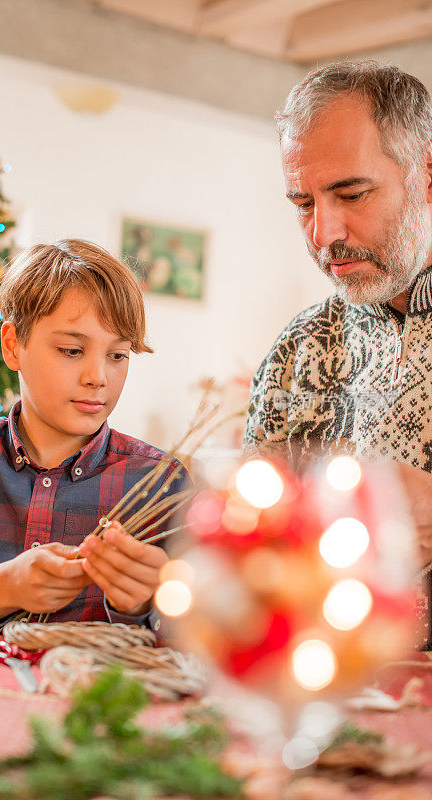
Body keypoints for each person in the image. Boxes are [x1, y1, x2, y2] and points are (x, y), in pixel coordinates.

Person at [0, 239, 187, 634]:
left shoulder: (161, 482)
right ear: (13, 345)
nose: (98, 377)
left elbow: (206, 642)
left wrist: (145, 607)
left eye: (117, 355)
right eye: (71, 350)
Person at [243, 60, 432, 645]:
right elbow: (255, 558)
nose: (325, 233)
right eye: (303, 203)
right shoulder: (299, 349)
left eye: (351, 194)